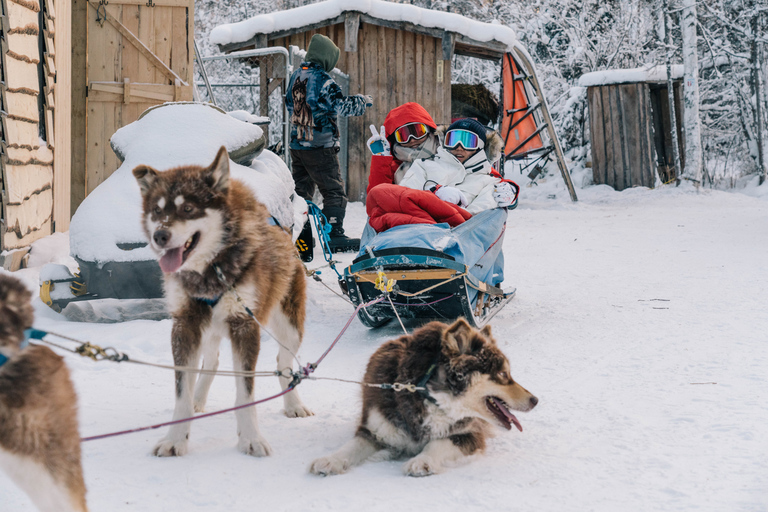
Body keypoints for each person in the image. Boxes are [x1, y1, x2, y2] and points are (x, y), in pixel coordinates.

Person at [285, 34, 372, 258]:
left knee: (300, 192)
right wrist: (362, 101)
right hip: (320, 147)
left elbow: (288, 103)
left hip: (298, 145)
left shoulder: (296, 76)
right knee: (333, 191)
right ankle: (334, 236)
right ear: (325, 58)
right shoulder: (324, 80)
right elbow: (342, 106)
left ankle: (296, 234)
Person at [398, 117, 518, 214]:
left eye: (468, 142)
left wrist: (512, 192)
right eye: (453, 140)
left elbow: (476, 219)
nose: (459, 147)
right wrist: (433, 193)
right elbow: (403, 198)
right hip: (417, 228)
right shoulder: (423, 166)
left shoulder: (489, 182)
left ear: (480, 146)